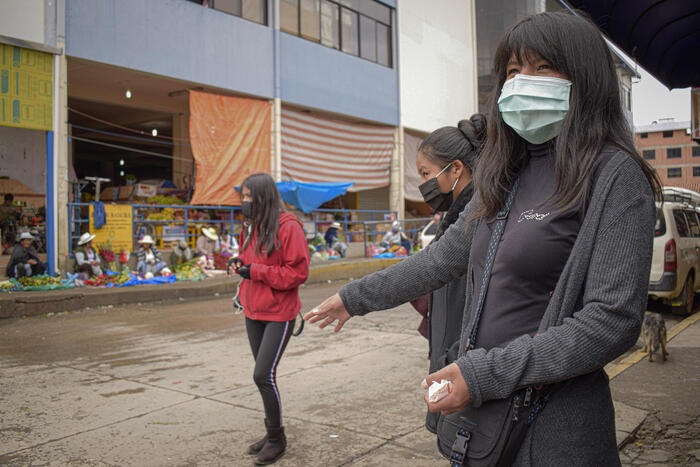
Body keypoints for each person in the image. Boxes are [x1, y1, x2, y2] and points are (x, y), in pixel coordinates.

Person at [305, 11, 660, 466]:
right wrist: (354, 297)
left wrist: (481, 373)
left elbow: (611, 322)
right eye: (513, 71)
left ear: (584, 76)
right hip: (484, 418)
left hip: (556, 431)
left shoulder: (614, 177)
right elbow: (438, 261)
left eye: (543, 68)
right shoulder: (505, 176)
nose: (522, 82)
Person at [411, 113, 486, 433]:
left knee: (460, 440)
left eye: (427, 173)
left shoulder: (476, 221)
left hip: (461, 365)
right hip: (448, 358)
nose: (424, 184)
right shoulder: (454, 217)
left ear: (456, 168)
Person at [228, 173, 309, 465]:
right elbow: (248, 260)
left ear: (263, 197)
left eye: (249, 197)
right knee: (264, 377)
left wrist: (256, 271)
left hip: (280, 313)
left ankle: (277, 439)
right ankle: (270, 433)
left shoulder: (289, 227)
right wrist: (239, 263)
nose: (245, 202)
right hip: (253, 311)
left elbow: (297, 273)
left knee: (263, 375)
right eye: (243, 197)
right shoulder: (250, 227)